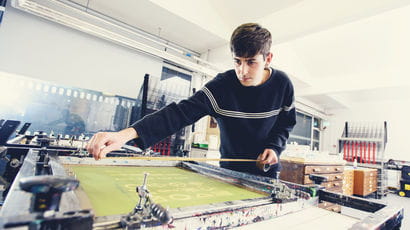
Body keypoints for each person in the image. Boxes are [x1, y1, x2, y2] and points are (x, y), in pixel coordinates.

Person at [86, 23, 296, 178]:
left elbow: (286, 123)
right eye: (237, 62)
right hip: (230, 172)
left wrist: (275, 147)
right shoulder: (222, 87)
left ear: (268, 58)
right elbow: (178, 113)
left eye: (251, 62)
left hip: (267, 171)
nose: (242, 71)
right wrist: (124, 135)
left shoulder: (283, 85)